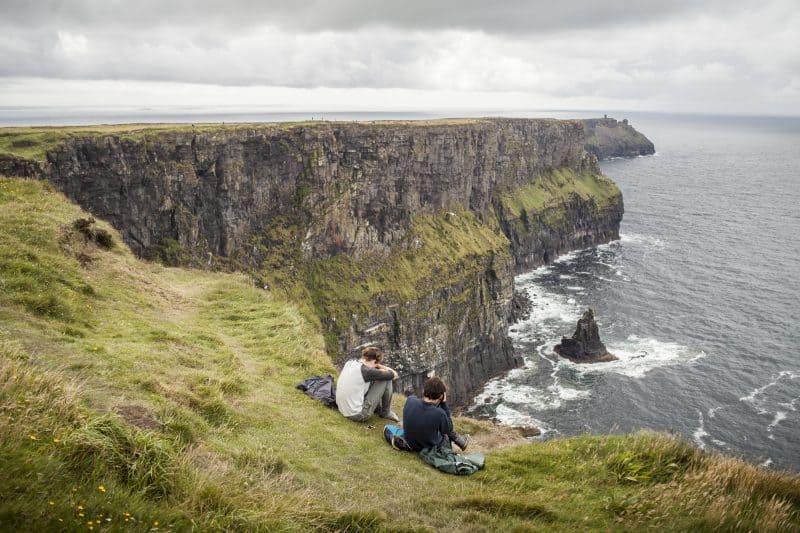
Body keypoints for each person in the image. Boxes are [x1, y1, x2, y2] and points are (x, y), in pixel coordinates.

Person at [402, 377, 470, 452]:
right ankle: (460, 441)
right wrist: (444, 404)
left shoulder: (410, 399)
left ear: (424, 390)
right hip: (426, 447)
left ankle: (461, 442)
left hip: (410, 442)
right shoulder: (440, 414)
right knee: (445, 432)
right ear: (441, 396)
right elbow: (448, 429)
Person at [336, 346, 400, 422]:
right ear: (374, 361)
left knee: (379, 377)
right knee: (387, 379)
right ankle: (386, 412)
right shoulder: (367, 371)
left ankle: (378, 409)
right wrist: (379, 366)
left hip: (342, 408)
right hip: (357, 414)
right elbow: (394, 375)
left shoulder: (350, 362)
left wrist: (376, 365)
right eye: (376, 363)